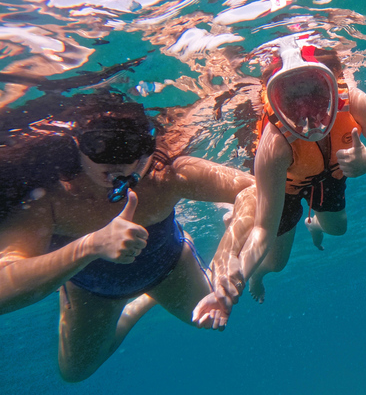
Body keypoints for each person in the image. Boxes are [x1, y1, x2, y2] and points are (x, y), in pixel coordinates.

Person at [0, 93, 253, 382]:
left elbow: (254, 189)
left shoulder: (165, 176)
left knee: (208, 321)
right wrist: (89, 246)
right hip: (92, 291)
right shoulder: (51, 197)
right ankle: (140, 304)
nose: (118, 162)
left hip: (168, 268)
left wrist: (227, 252)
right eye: (101, 145)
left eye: (130, 146)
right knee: (75, 372)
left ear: (146, 147)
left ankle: (184, 246)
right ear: (77, 145)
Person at [192, 36, 366, 329]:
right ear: (274, 102)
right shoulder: (274, 145)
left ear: (333, 88)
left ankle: (313, 225)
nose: (306, 113)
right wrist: (241, 277)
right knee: (276, 263)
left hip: (330, 173)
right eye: (291, 99)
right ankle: (259, 268)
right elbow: (263, 231)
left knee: (338, 229)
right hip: (285, 186)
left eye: (314, 92)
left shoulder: (354, 101)